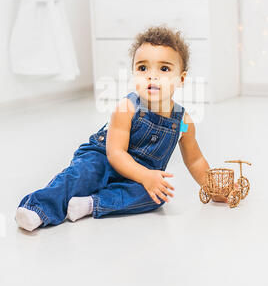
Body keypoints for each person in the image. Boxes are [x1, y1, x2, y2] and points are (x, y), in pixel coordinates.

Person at [16, 26, 214, 232]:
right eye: (143, 68)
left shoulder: (183, 121)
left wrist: (213, 188)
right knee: (82, 175)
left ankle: (90, 204)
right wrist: (146, 176)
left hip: (140, 174)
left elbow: (195, 160)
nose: (152, 76)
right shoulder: (127, 108)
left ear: (181, 79)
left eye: (164, 69)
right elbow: (115, 153)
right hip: (104, 158)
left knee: (156, 196)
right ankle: (38, 208)